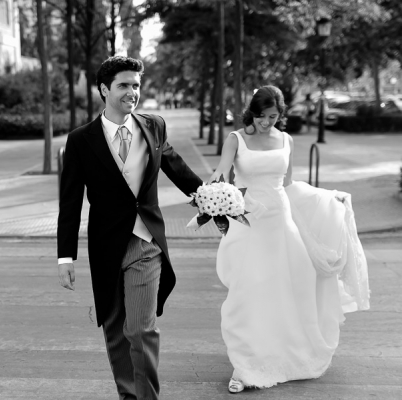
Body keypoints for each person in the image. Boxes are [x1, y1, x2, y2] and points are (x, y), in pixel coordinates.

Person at [57, 56, 202, 400]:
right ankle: (129, 396)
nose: (132, 92)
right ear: (105, 89)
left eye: (136, 85)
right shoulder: (81, 140)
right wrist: (66, 257)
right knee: (115, 330)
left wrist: (213, 201)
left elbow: (177, 169)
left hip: (145, 242)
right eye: (124, 85)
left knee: (140, 329)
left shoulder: (154, 126)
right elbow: (70, 201)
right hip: (106, 246)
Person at [208, 86, 370, 393]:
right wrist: (212, 197)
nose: (268, 123)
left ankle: (284, 355)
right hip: (250, 224)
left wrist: (328, 197)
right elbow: (220, 173)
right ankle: (245, 365)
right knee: (248, 292)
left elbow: (289, 184)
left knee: (288, 290)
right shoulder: (236, 139)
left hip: (283, 225)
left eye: (273, 117)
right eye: (262, 116)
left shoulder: (286, 140)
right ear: (251, 113)